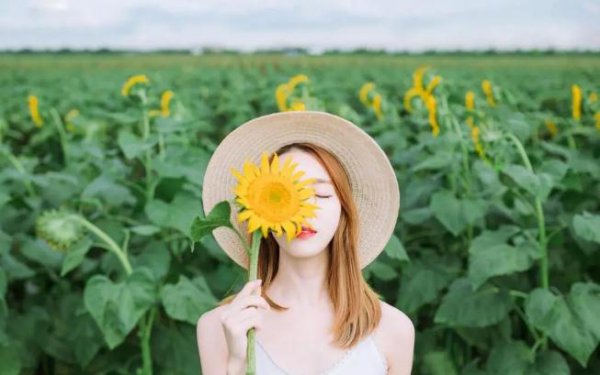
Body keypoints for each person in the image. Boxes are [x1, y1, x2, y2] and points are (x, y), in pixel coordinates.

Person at [197, 111, 415, 374]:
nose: (304, 211)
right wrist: (237, 362)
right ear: (258, 212)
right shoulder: (220, 328)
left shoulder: (392, 330)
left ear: (344, 211)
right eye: (284, 195)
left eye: (321, 194)